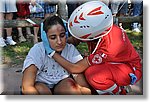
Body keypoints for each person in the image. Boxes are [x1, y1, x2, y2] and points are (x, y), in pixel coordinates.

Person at [42, 1, 142, 95]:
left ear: (92, 36)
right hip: (118, 62)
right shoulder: (102, 27)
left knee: (93, 75)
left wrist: (52, 53)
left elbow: (75, 68)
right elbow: (76, 39)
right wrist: (61, 39)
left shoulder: (108, 47)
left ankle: (119, 92)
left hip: (130, 68)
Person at [22, 15, 91, 95]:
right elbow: (26, 87)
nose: (59, 42)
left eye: (62, 35)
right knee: (41, 90)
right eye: (53, 37)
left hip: (62, 83)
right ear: (45, 38)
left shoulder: (70, 49)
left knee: (72, 88)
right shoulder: (38, 50)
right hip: (41, 85)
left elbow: (83, 85)